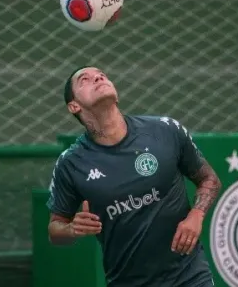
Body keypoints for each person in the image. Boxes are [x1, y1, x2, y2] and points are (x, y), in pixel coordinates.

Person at [46, 66, 222, 287]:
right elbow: (55, 231)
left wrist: (196, 214)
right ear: (74, 106)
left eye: (101, 74)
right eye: (85, 79)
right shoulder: (70, 163)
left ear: (116, 95)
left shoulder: (165, 130)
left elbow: (209, 179)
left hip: (190, 277)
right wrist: (71, 229)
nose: (98, 77)